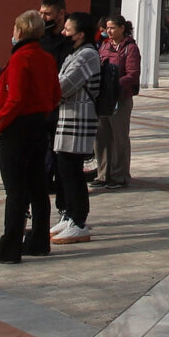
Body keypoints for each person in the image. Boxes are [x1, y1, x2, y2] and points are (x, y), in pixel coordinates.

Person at [0, 10, 59, 262]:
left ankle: (10, 245)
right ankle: (38, 239)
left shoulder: (20, 59)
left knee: (15, 190)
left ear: (20, 31)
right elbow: (55, 95)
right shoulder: (46, 58)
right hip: (39, 124)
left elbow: (15, 98)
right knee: (37, 186)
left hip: (16, 127)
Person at [48, 12, 103, 242]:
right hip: (67, 118)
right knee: (65, 170)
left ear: (80, 34)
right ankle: (70, 215)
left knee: (73, 172)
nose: (63, 33)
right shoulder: (76, 53)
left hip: (78, 119)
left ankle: (79, 221)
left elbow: (62, 86)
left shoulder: (87, 54)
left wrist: (52, 90)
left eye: (68, 30)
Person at [95, 15, 142, 187]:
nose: (109, 31)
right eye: (107, 28)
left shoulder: (130, 48)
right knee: (101, 136)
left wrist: (114, 84)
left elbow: (133, 74)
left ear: (122, 28)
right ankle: (102, 174)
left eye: (113, 27)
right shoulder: (105, 45)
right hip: (103, 99)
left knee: (119, 137)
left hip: (120, 99)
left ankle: (119, 175)